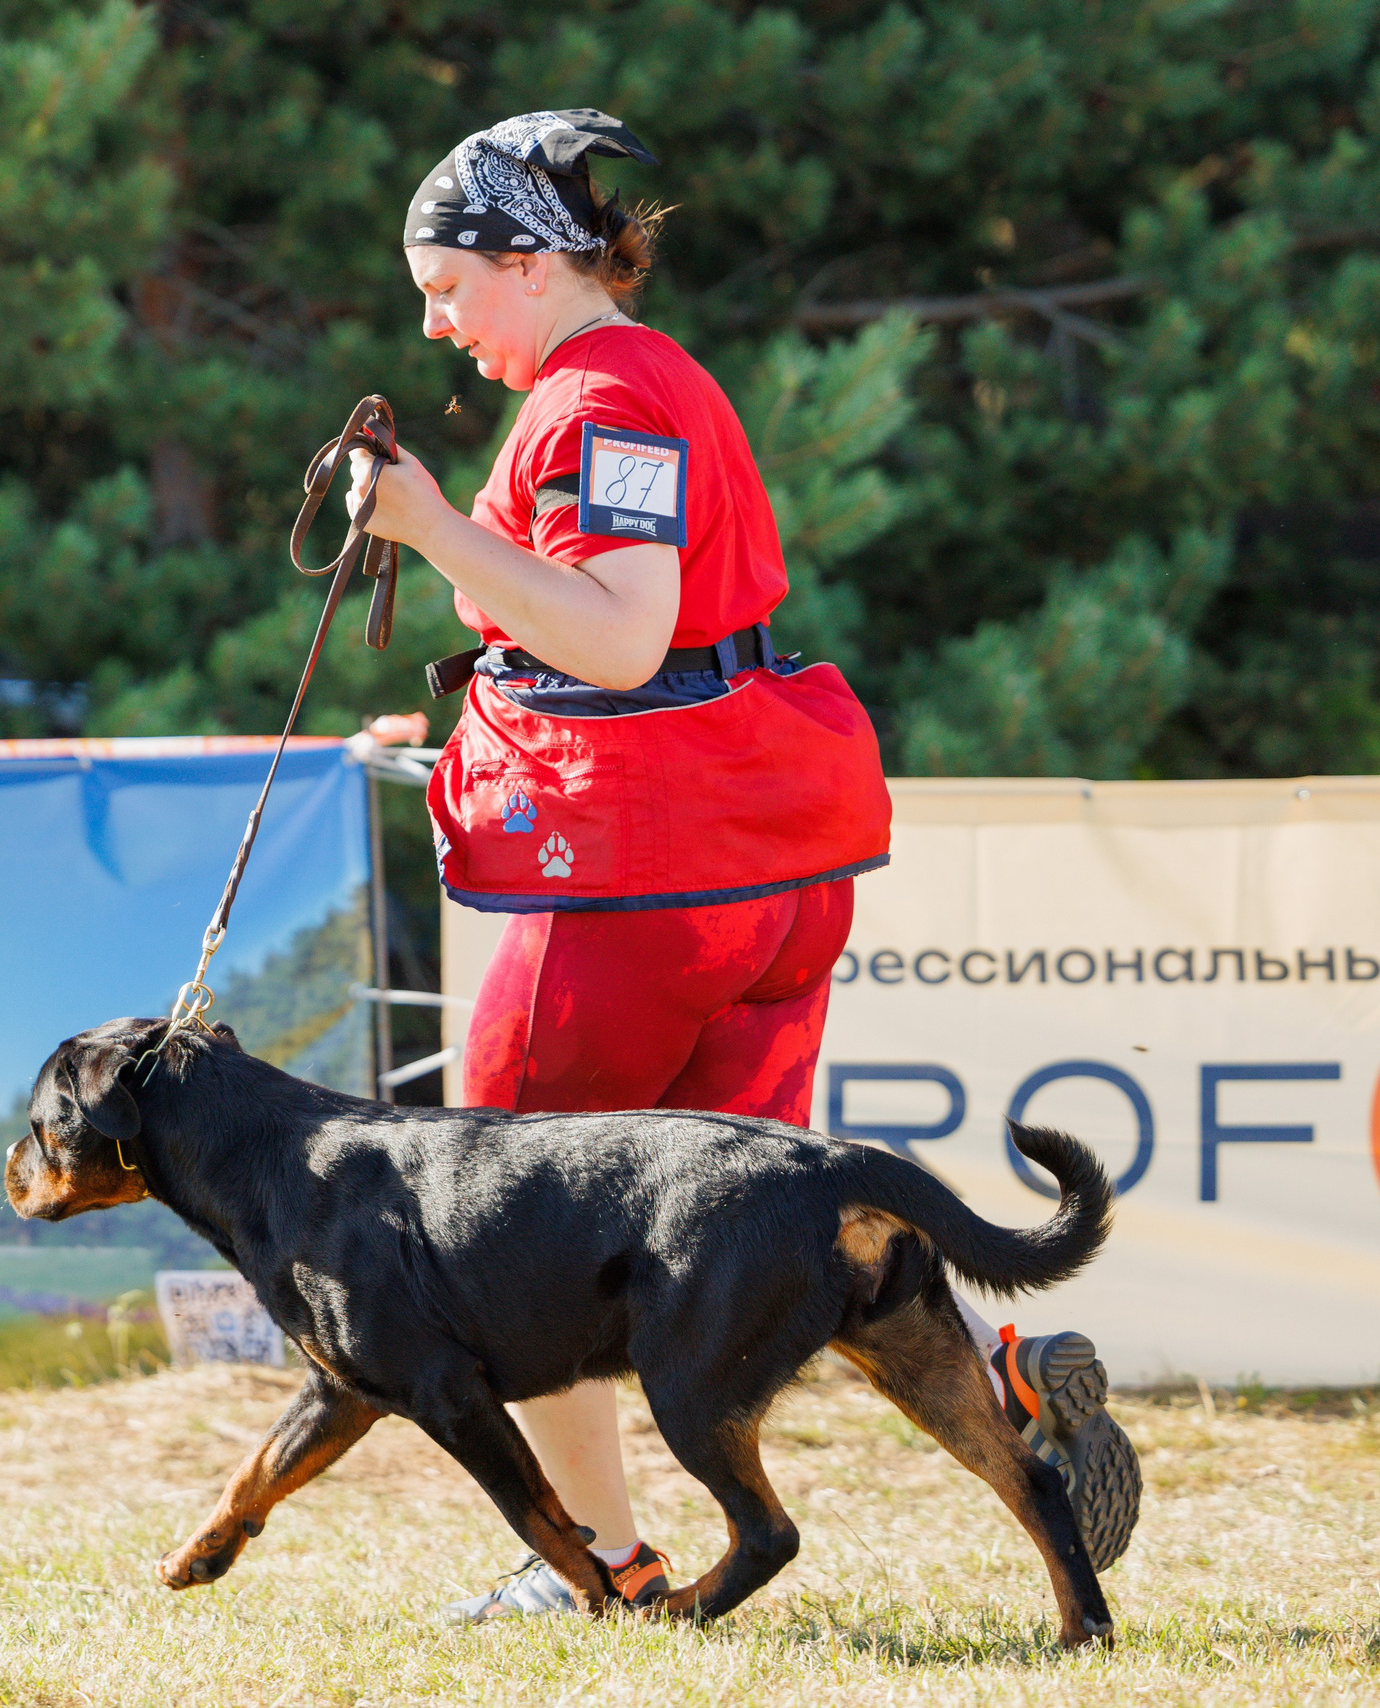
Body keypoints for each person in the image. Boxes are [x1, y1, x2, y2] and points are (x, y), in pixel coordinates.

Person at [346, 109, 1143, 1620]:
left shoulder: (602, 397)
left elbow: (624, 629)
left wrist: (438, 527)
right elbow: (646, 638)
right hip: (759, 865)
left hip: (640, 879)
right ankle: (1016, 1404)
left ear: (530, 260)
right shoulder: (656, 383)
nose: (433, 323)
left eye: (446, 287)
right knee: (766, 1234)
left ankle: (595, 1566)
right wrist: (490, 684)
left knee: (507, 1229)